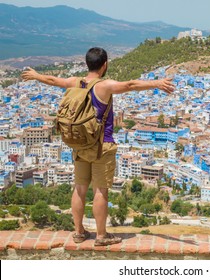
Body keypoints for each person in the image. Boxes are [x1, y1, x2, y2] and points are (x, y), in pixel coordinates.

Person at [22, 47, 175, 246]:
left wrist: (35, 75)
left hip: (80, 144)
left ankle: (78, 232)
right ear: (104, 65)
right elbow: (130, 84)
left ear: (87, 63)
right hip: (102, 145)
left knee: (79, 188)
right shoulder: (104, 86)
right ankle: (101, 236)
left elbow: (52, 80)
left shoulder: (75, 82)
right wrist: (157, 83)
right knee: (100, 191)